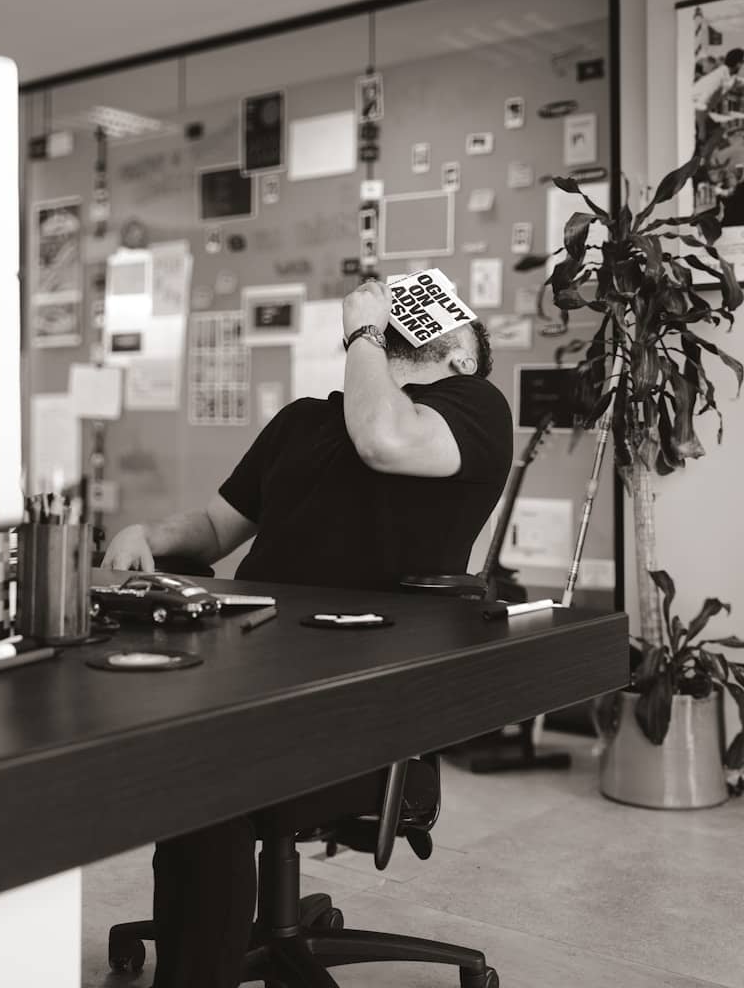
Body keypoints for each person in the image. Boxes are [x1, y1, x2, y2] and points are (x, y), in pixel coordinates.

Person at [103, 279, 513, 988]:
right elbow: (213, 529)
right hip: (248, 673)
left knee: (207, 778)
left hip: (363, 706)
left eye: (456, 338)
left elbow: (383, 438)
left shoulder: (474, 408)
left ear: (462, 363)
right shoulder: (299, 422)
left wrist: (361, 335)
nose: (438, 333)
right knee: (149, 744)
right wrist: (149, 532)